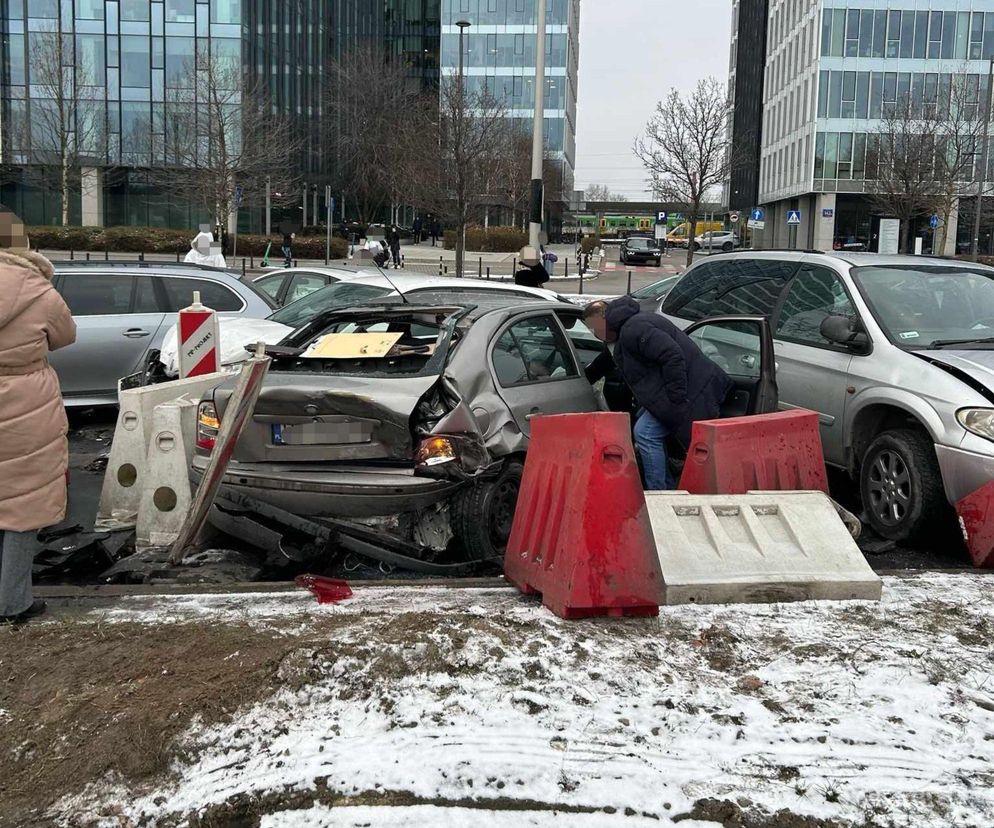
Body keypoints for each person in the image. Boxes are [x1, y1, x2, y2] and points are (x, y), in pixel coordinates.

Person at [0, 213, 76, 624]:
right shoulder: (39, 290)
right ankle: (12, 603)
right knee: (22, 506)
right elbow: (66, 336)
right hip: (27, 398)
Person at [582, 297, 732, 490]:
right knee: (641, 420)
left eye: (595, 328)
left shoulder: (635, 329)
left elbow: (672, 357)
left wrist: (676, 399)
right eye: (590, 330)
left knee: (645, 433)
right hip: (685, 388)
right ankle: (667, 482)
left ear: (606, 320)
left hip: (692, 390)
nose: (595, 334)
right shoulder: (627, 328)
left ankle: (659, 493)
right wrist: (585, 377)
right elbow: (607, 360)